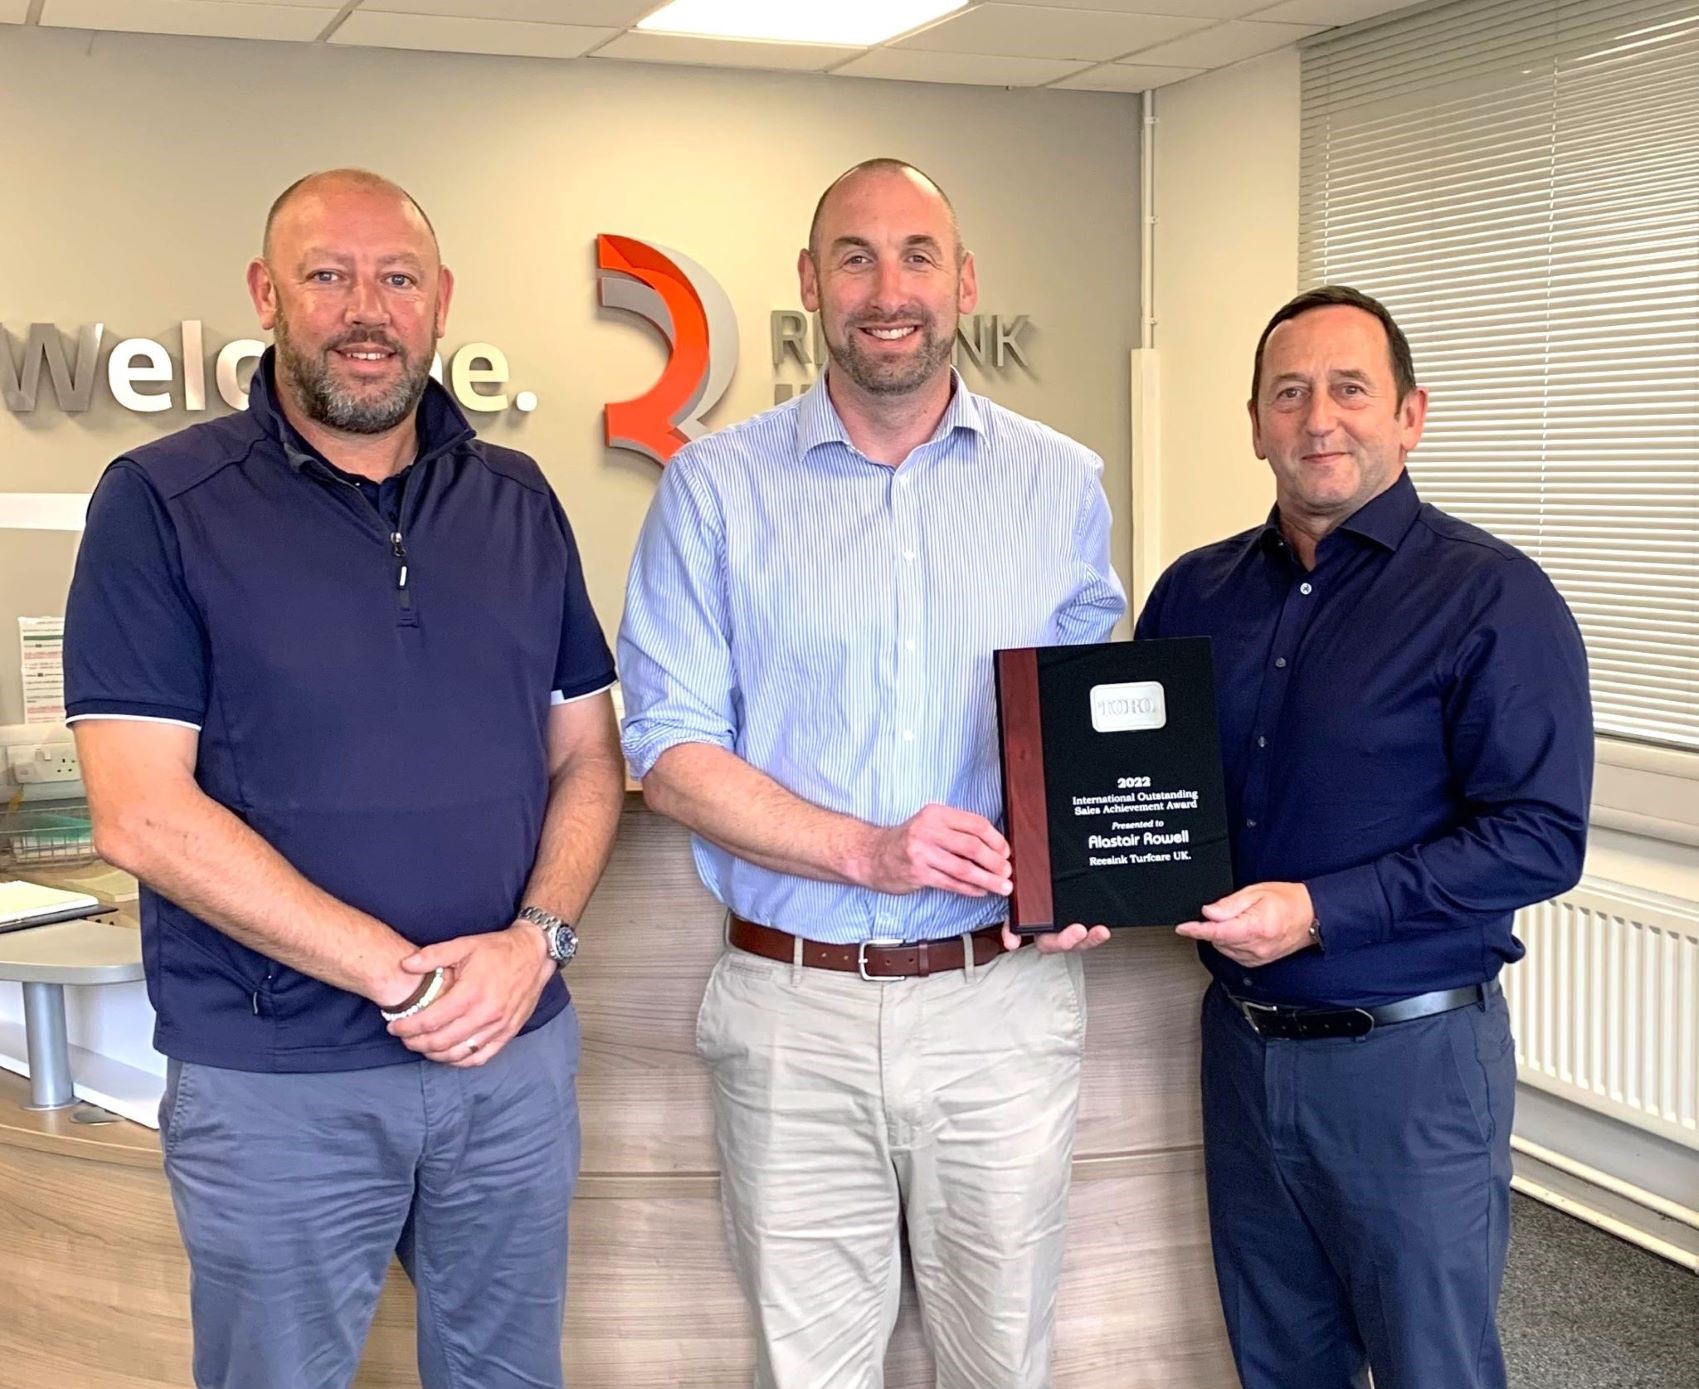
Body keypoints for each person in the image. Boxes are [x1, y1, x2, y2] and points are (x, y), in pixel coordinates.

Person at [63, 168, 624, 1389]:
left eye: (397, 277)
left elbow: (587, 752)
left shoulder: (519, 501)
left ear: (441, 303)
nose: (365, 308)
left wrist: (535, 943)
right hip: (278, 1083)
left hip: (510, 1061)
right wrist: (401, 975)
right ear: (267, 295)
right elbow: (141, 812)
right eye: (328, 275)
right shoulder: (160, 504)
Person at [618, 158, 1126, 1388]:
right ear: (808, 284)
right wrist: (869, 850)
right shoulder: (714, 489)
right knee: (811, 1370)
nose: (884, 289)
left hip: (997, 1007)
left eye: (914, 256)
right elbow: (668, 750)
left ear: (962, 281)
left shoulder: (1061, 486)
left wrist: (1093, 856)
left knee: (1002, 1360)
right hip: (793, 1009)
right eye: (853, 256)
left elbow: (1082, 732)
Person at [1136, 284, 1593, 1389]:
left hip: (1411, 1066)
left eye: (1349, 389)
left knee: (1430, 1366)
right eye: (1287, 394)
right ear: (1254, 422)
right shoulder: (1195, 595)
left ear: (1410, 414)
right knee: (1276, 1362)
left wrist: (1319, 910)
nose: (1317, 419)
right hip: (1240, 1052)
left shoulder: (1491, 597)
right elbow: (1150, 797)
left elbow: (1539, 838)